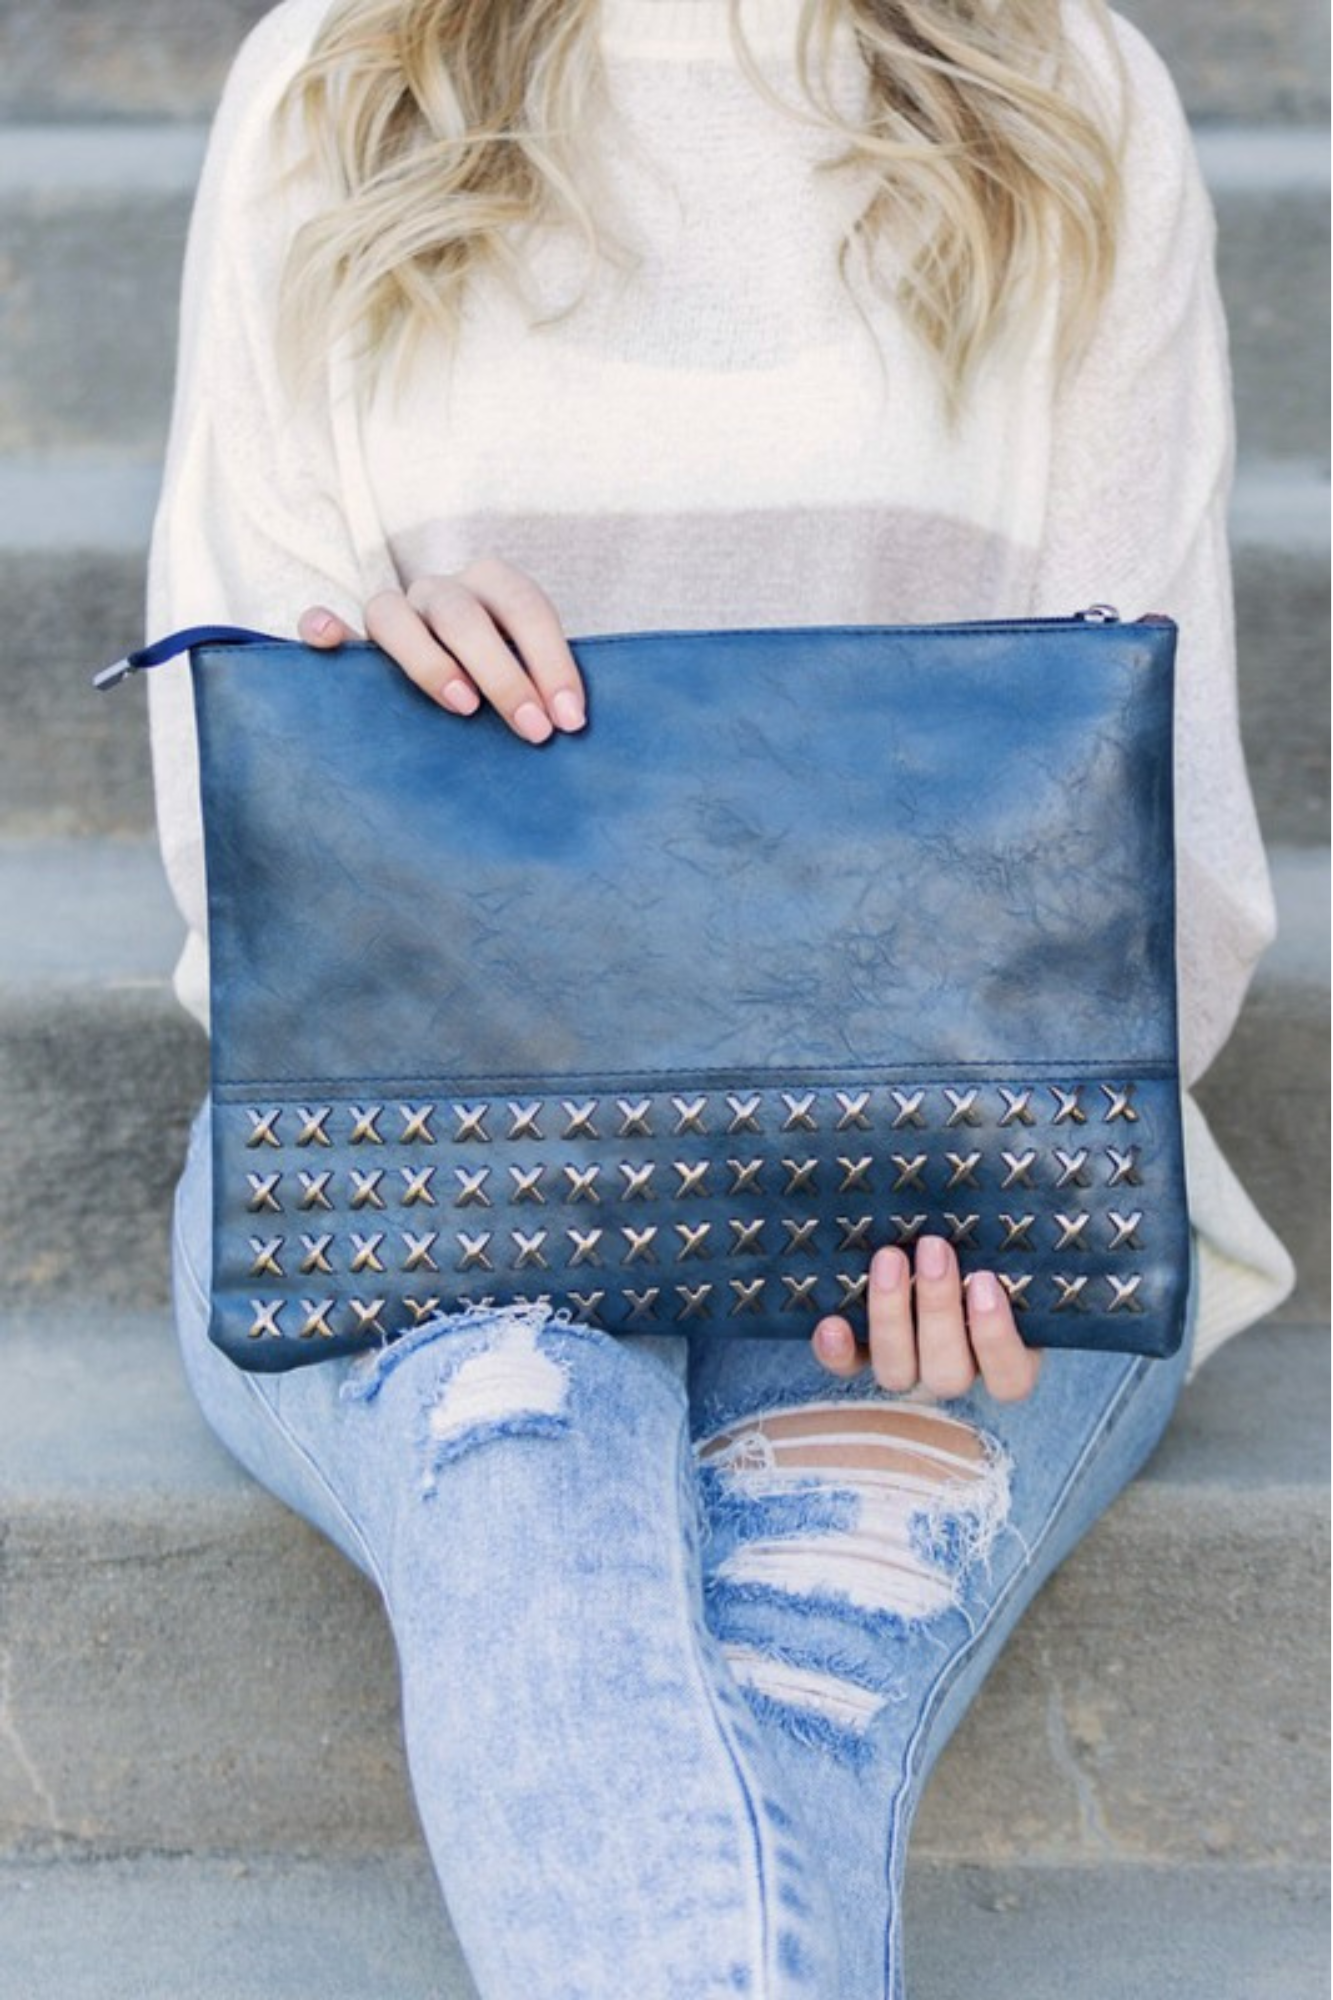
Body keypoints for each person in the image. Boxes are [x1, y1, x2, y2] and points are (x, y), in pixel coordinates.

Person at [147, 1, 1295, 1993]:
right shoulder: (339, 79)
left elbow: (1154, 805)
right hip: (421, 1162)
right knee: (536, 1514)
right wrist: (365, 679)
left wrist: (1006, 1155)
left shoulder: (1064, 93)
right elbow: (229, 802)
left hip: (958, 1196)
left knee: (790, 1650)